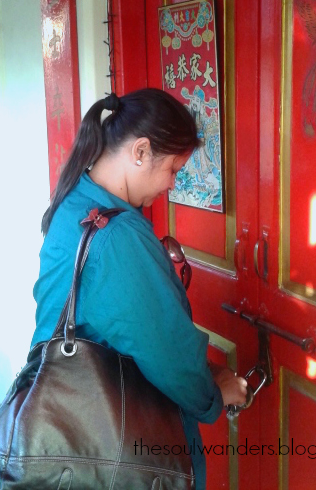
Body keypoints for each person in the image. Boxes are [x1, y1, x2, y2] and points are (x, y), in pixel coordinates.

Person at [31, 88, 247, 489]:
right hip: (111, 435)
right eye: (173, 170)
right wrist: (215, 394)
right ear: (141, 151)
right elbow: (170, 356)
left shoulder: (77, 199)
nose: (172, 184)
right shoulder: (118, 235)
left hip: (65, 414)